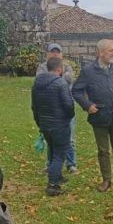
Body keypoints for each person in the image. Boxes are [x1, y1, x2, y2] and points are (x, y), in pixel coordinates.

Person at [73, 39, 113, 192]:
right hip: (99, 116)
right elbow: (77, 91)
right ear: (101, 53)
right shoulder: (88, 71)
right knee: (103, 150)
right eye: (110, 50)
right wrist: (87, 105)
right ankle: (106, 180)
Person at [31, 57, 75, 196]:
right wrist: (68, 118)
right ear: (59, 69)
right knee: (59, 155)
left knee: (52, 149)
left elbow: (34, 107)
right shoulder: (61, 84)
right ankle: (53, 185)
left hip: (45, 124)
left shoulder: (37, 83)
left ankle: (57, 176)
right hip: (60, 124)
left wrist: (39, 122)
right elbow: (69, 105)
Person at [36, 43, 78, 174]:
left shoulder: (68, 66)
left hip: (65, 108)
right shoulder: (41, 67)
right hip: (49, 109)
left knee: (69, 138)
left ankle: (71, 164)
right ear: (47, 54)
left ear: (61, 54)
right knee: (50, 139)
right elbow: (40, 82)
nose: (55, 54)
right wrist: (60, 78)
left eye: (57, 52)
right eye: (52, 51)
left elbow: (70, 79)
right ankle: (50, 165)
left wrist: (53, 78)